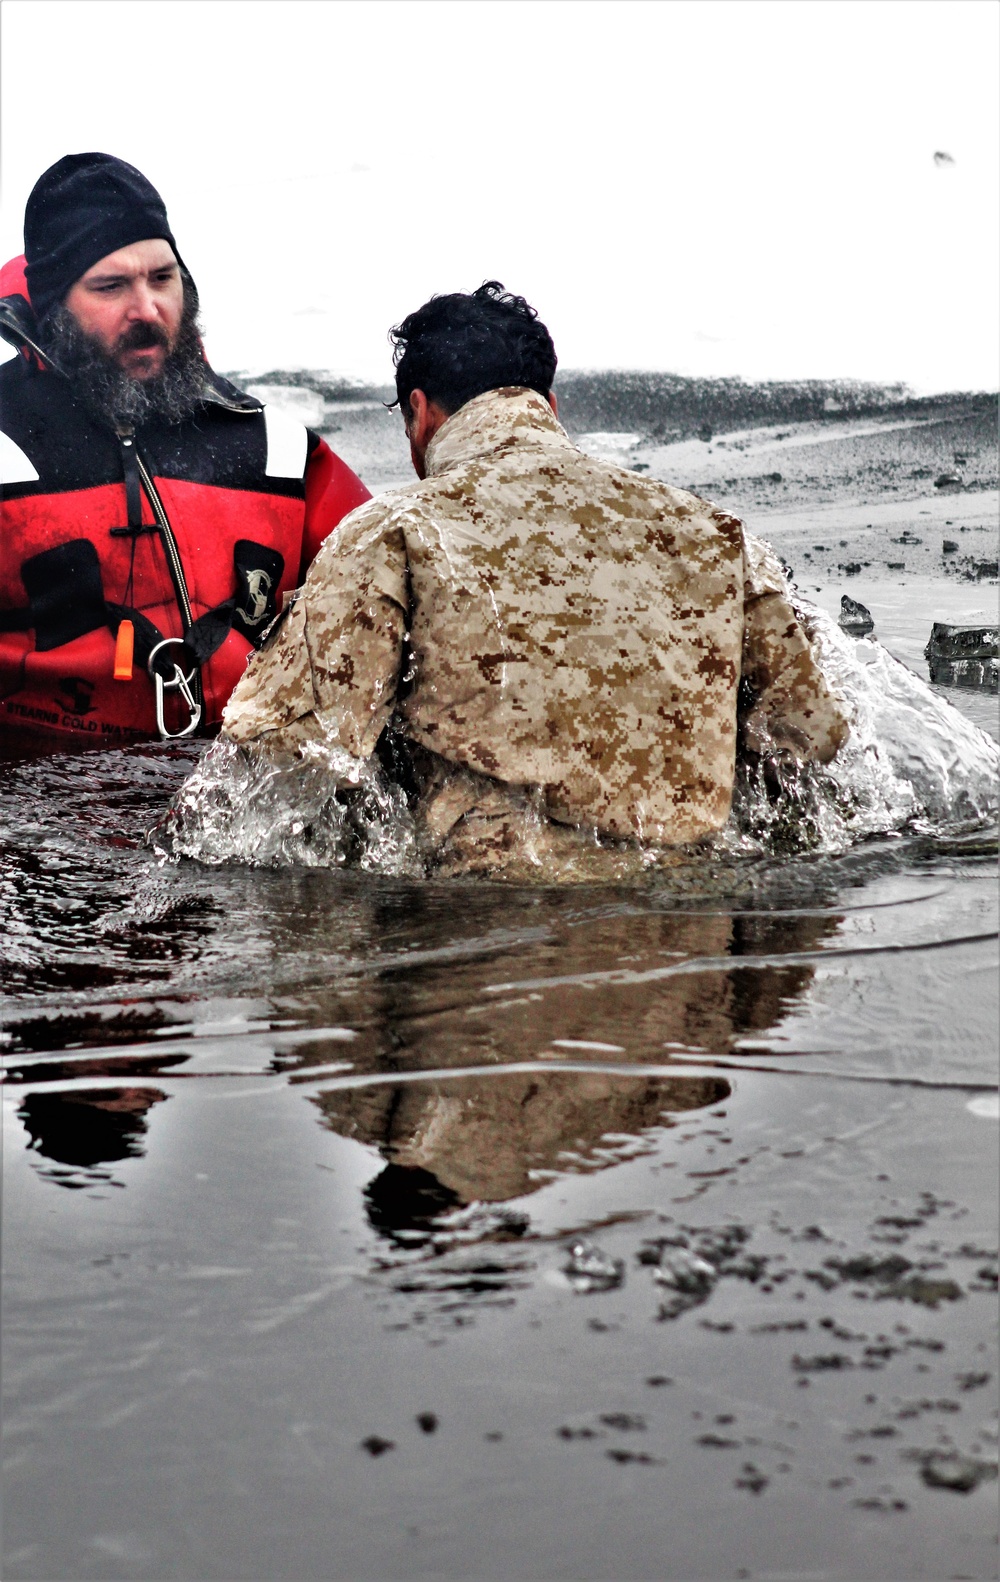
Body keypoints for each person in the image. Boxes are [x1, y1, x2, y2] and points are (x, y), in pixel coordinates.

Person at [221, 282, 850, 873]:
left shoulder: (393, 533)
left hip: (480, 948)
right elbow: (809, 738)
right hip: (691, 949)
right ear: (549, 406)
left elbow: (287, 762)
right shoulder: (715, 533)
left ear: (420, 412)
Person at [0, 153, 369, 744]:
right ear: (53, 305)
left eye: (161, 279)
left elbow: (393, 611)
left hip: (242, 799)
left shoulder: (274, 449)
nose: (147, 310)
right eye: (111, 286)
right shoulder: (3, 447)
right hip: (44, 808)